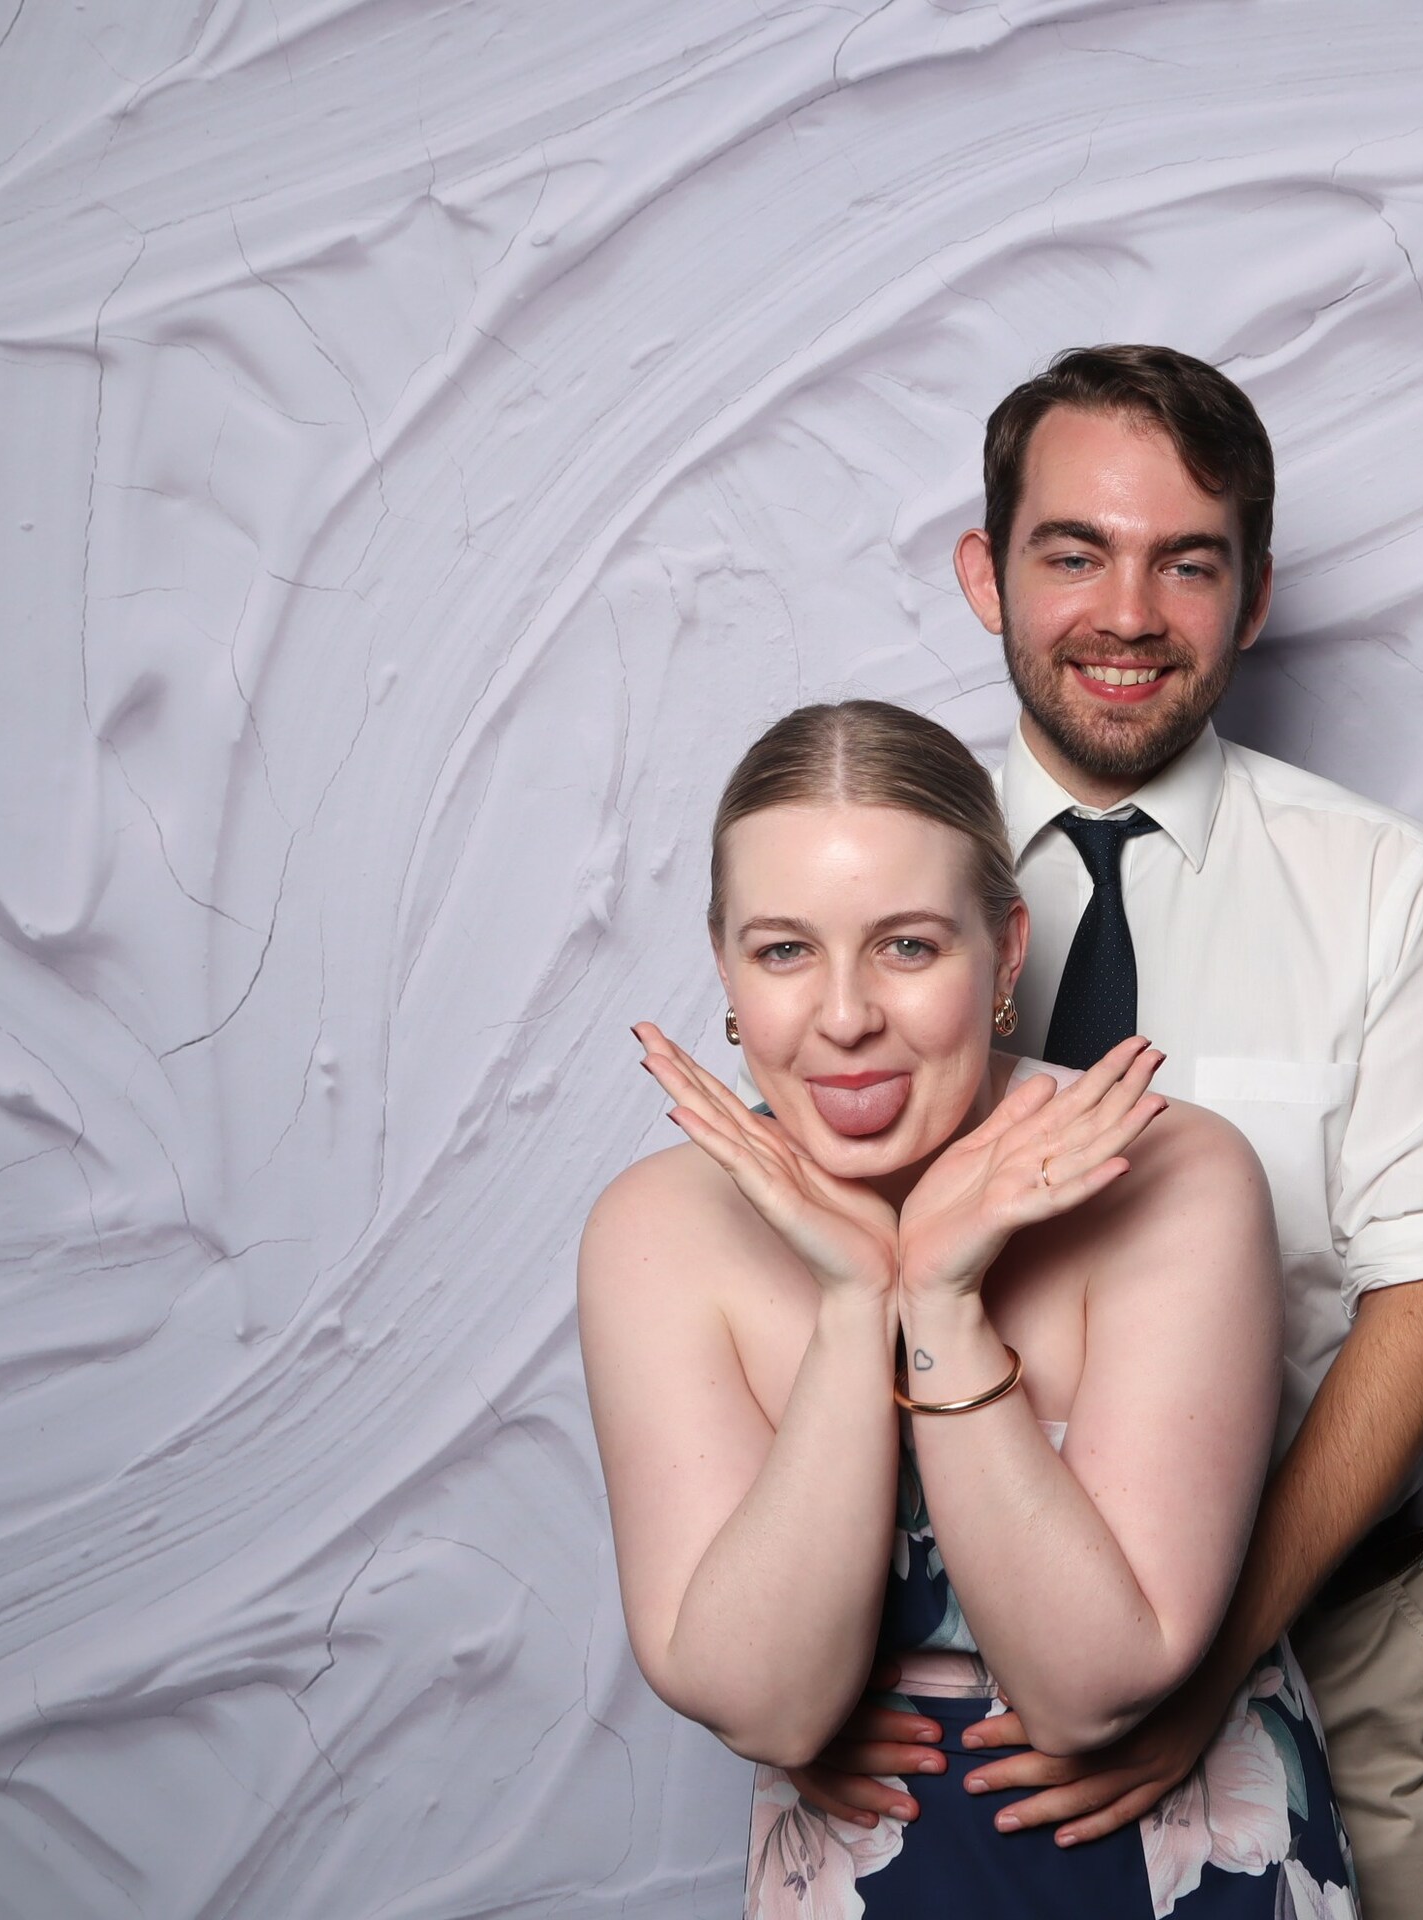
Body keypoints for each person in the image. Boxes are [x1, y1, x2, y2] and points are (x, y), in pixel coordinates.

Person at [788, 348, 1423, 1918]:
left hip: (1324, 1621)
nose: (1128, 614)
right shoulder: (866, 874)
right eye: (1075, 554)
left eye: (1187, 562)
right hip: (926, 1670)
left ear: (1253, 598)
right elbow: (793, 1248)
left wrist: (1213, 1661)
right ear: (985, 572)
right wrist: (802, 1676)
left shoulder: (1383, 886)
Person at [579, 699, 1363, 1917]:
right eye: (784, 951)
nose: (846, 1016)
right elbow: (768, 1706)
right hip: (862, 1875)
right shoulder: (655, 1230)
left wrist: (940, 1301)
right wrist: (858, 1302)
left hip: (1183, 1857)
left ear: (1005, 953)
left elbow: (1091, 1689)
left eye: (907, 946)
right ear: (725, 965)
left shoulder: (1178, 1176)